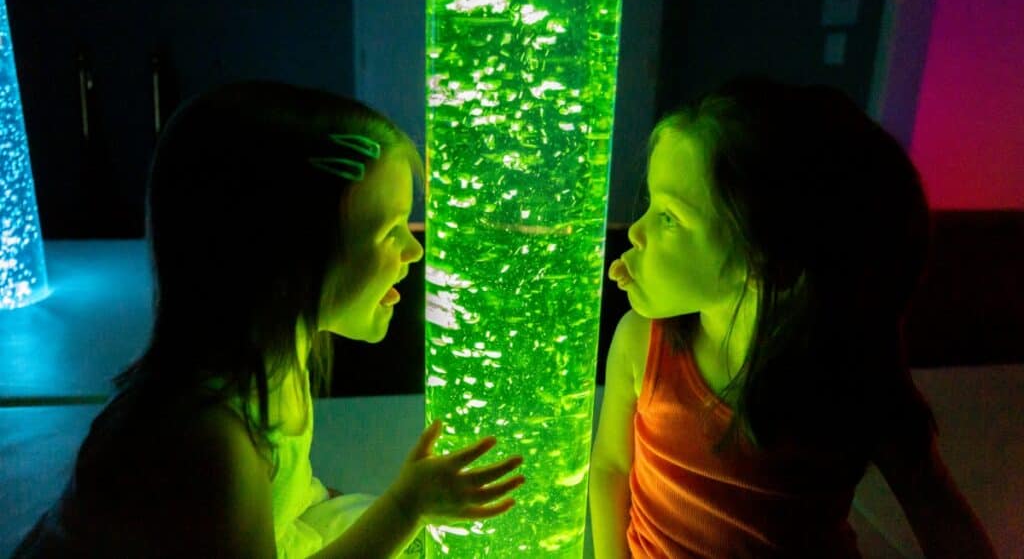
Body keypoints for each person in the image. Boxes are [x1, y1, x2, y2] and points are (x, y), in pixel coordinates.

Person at [14, 81, 525, 558]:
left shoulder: (278, 359)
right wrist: (403, 508)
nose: (415, 250)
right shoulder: (211, 436)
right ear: (286, 259)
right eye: (388, 230)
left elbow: (292, 497)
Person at [588, 76, 997, 558]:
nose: (635, 231)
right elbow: (611, 467)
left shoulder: (856, 383)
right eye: (650, 205)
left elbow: (938, 515)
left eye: (669, 217)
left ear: (767, 260)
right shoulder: (641, 343)